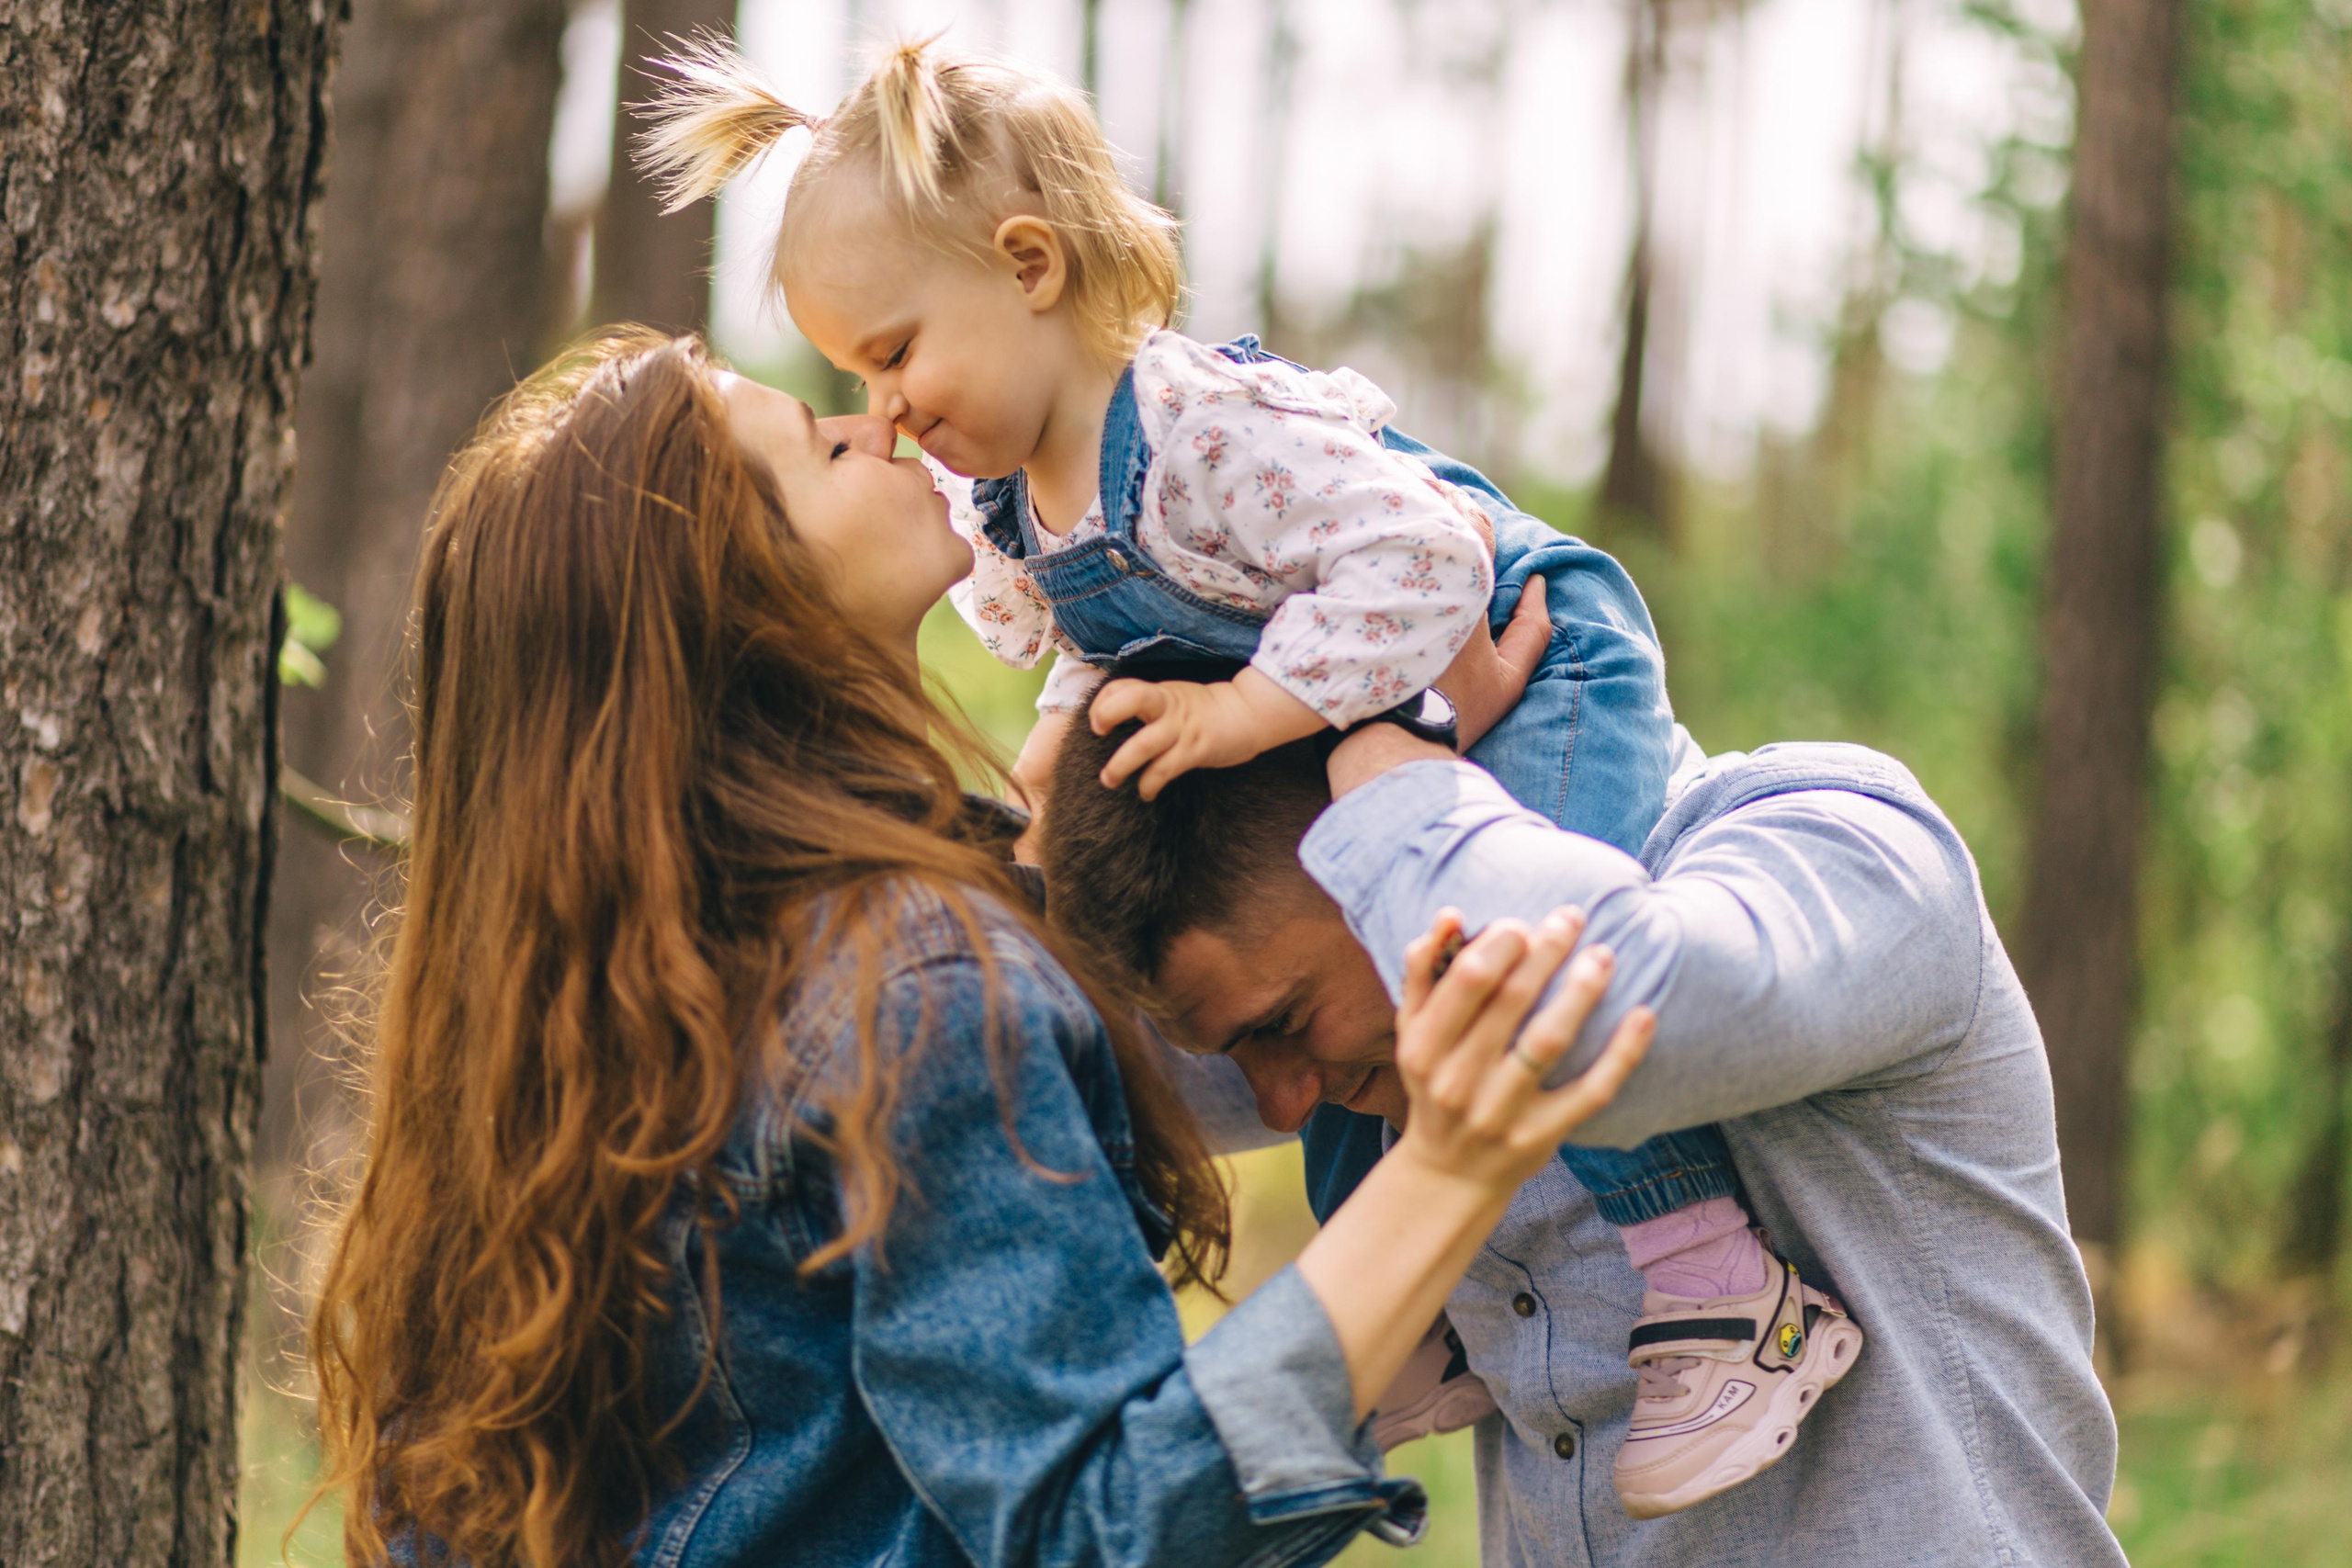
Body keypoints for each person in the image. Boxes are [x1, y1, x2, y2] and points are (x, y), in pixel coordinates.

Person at [631, 36, 1858, 1513]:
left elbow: (1428, 561)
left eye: (887, 361)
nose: (881, 416)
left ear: (1028, 265)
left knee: (1538, 980)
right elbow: (1125, 650)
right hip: (1364, 686)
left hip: (1510, 657)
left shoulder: (1201, 427)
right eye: (844, 397)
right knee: (1344, 1055)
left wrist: (1330, 721)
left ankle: (1717, 1285)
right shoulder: (1028, 505)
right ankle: (1433, 1304)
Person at [300, 330, 1657, 1568]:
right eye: (814, 448)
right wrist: (1449, 1168)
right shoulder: (915, 984)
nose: (872, 429)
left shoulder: (616, 1000)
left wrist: (1407, 740)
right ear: (736, 603)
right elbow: (1100, 1529)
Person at [1041, 711, 2130, 1566]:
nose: (1282, 1105)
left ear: (1381, 853)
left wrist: (1385, 758)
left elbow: (1617, 1020)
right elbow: (997, 1078)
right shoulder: (1349, 1036)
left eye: (1281, 1025)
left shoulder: (1838, 844)